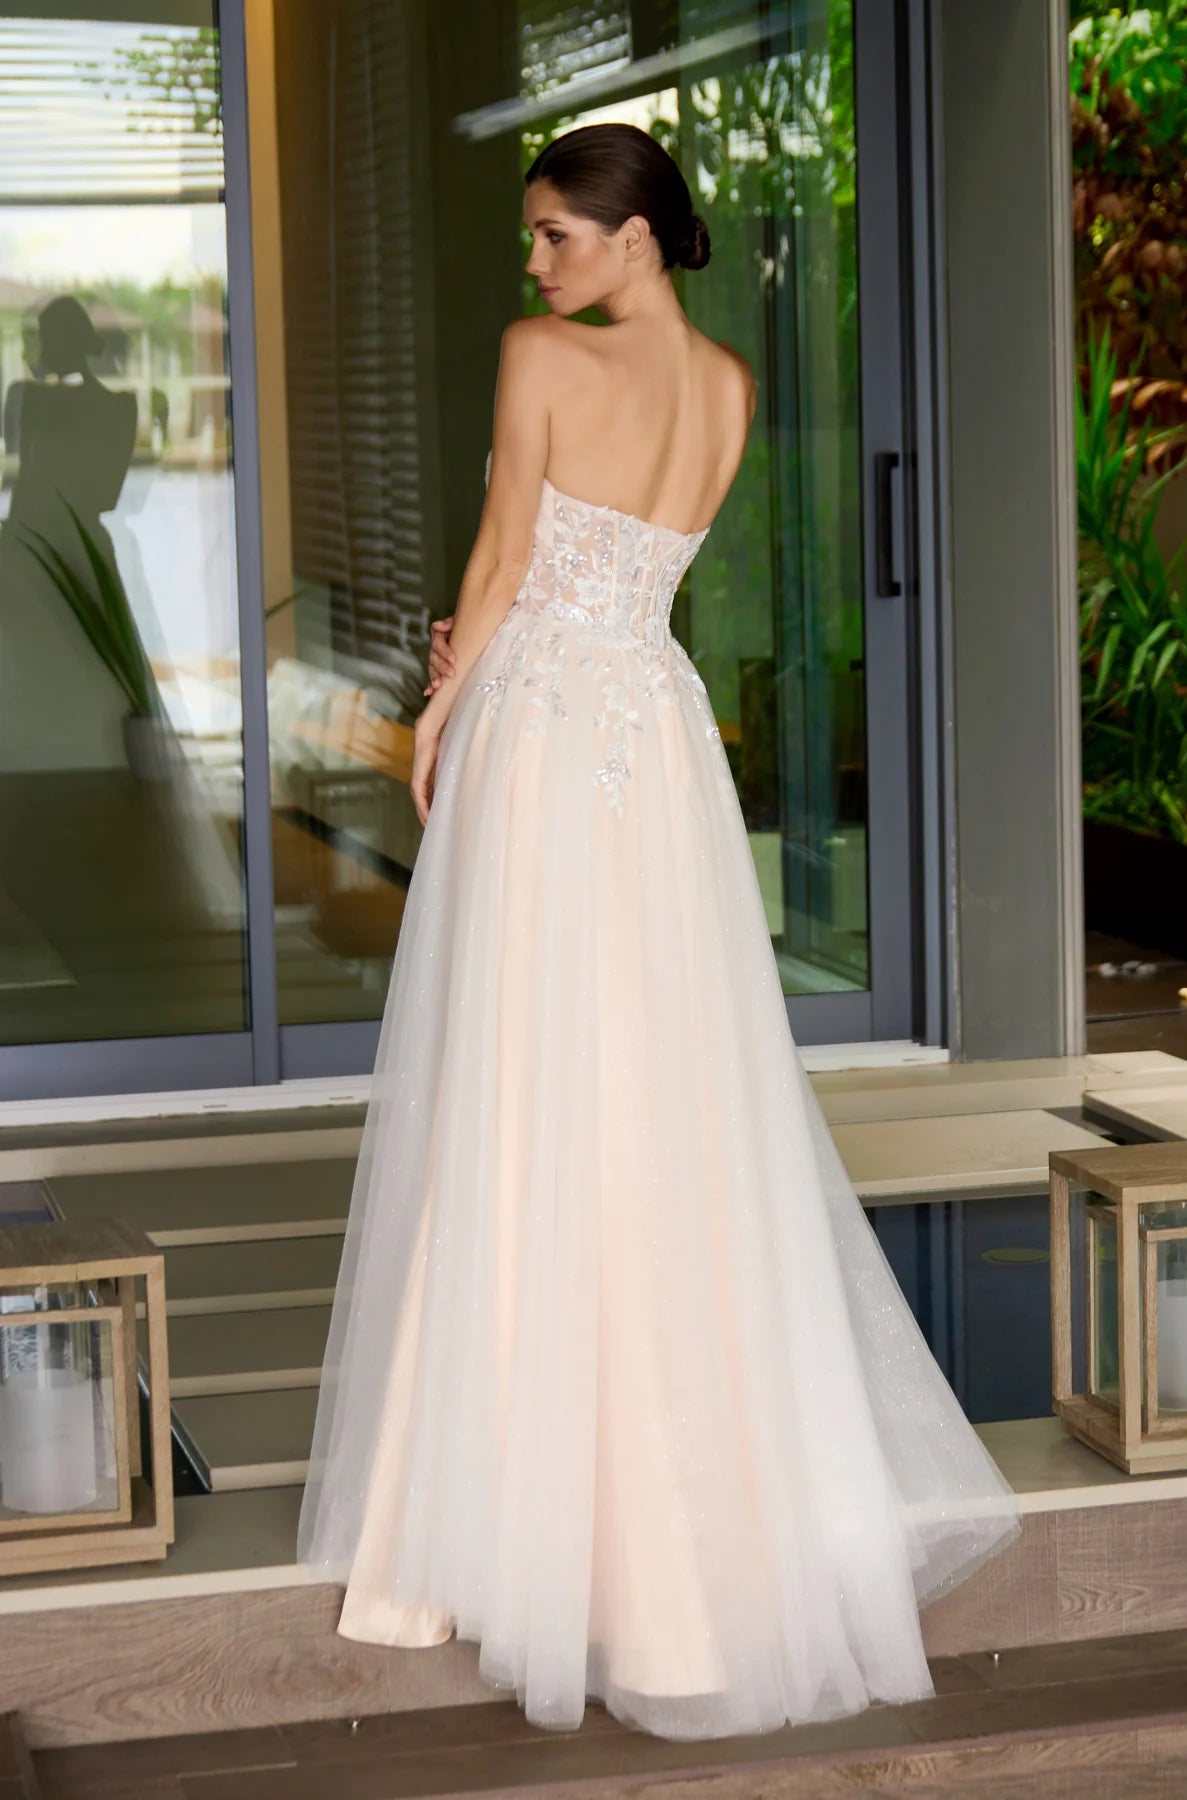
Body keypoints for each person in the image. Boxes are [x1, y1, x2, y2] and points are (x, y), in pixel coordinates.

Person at [297, 121, 1021, 1743]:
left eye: (557, 233)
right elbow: (624, 567)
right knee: (667, 1095)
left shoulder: (539, 355)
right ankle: (684, 1543)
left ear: (632, 234)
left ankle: (506, 1517)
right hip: (660, 733)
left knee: (524, 1083)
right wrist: (500, 632)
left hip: (552, 734)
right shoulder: (733, 387)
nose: (536, 262)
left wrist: (439, 705)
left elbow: (506, 557)